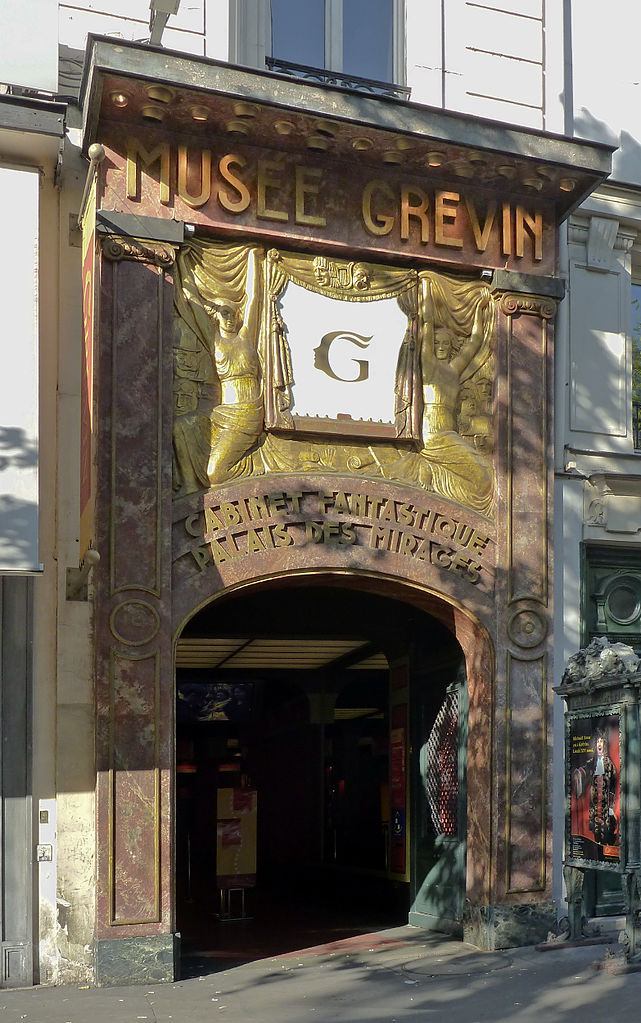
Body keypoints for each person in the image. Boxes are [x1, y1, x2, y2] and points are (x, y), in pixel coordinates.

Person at [203, 247, 265, 485]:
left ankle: (260, 464)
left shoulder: (246, 336)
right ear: (215, 316)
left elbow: (253, 297)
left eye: (232, 313)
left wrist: (252, 260)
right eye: (223, 313)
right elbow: (190, 305)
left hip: (247, 411)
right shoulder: (214, 341)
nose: (229, 318)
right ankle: (258, 463)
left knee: (215, 473)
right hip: (223, 414)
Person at [588, 730, 617, 846]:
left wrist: (611, 807)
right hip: (595, 803)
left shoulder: (609, 765)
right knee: (596, 828)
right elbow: (583, 773)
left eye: (601, 742)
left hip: (605, 803)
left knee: (606, 827)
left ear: (604, 745)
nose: (599, 744)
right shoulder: (592, 763)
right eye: (597, 742)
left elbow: (613, 787)